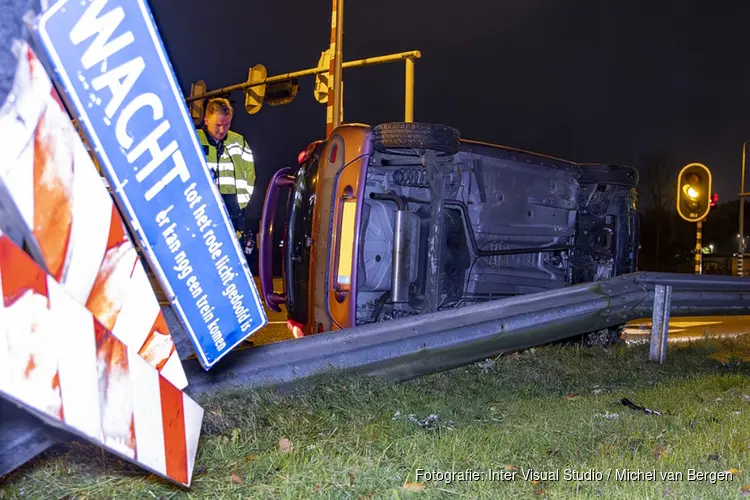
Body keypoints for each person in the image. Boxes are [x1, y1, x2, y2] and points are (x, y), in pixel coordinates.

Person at [197, 98, 256, 257]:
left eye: (227, 125)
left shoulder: (238, 141)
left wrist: (240, 204)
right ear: (206, 120)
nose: (222, 130)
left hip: (233, 209)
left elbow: (250, 176)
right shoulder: (195, 140)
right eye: (218, 125)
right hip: (203, 208)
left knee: (232, 256)